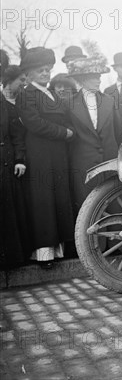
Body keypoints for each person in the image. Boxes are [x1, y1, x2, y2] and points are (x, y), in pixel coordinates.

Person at [16, 47, 75, 268]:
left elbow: (66, 118)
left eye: (47, 69)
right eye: (39, 69)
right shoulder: (26, 93)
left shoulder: (51, 93)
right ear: (29, 73)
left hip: (58, 153)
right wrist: (63, 133)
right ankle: (44, 255)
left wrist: (70, 130)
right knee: (43, 201)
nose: (45, 73)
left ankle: (58, 250)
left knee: (59, 197)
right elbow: (34, 123)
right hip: (39, 152)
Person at [67, 53, 121, 214]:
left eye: (99, 76)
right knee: (88, 210)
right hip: (84, 165)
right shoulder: (68, 103)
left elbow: (119, 133)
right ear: (82, 79)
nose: (99, 80)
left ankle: (115, 239)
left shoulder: (109, 101)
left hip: (110, 162)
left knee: (114, 206)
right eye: (94, 76)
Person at [0, 63, 30, 269]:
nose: (24, 84)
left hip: (9, 162)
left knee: (11, 208)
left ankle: (13, 258)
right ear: (10, 81)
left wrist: (20, 159)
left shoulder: (16, 104)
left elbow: (18, 136)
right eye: (21, 80)